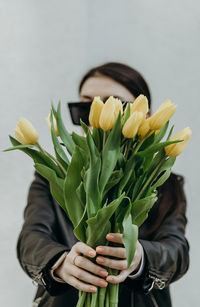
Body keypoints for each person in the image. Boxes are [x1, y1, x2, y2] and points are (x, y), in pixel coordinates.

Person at [17, 62, 189, 307]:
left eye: (114, 105)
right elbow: (31, 237)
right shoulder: (54, 176)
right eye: (84, 106)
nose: (93, 117)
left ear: (146, 116)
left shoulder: (163, 182)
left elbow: (178, 251)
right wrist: (60, 263)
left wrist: (140, 258)